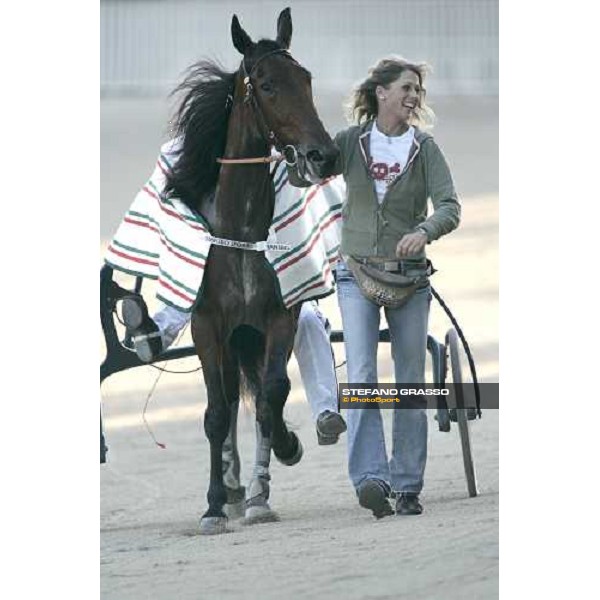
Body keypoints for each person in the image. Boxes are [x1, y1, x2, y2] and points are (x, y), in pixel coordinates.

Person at [107, 147, 347, 446]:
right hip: (217, 275)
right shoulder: (201, 144)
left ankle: (325, 412)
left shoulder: (283, 147)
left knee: (308, 318)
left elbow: (319, 189)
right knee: (192, 287)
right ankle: (153, 335)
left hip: (283, 269)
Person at [333, 56, 461, 517]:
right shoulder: (350, 143)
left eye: (416, 91)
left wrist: (424, 231)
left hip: (409, 280)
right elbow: (310, 169)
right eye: (405, 88)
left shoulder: (424, 149)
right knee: (363, 374)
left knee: (409, 381)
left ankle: (406, 484)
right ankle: (371, 478)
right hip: (355, 274)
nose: (412, 97)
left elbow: (450, 205)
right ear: (380, 92)